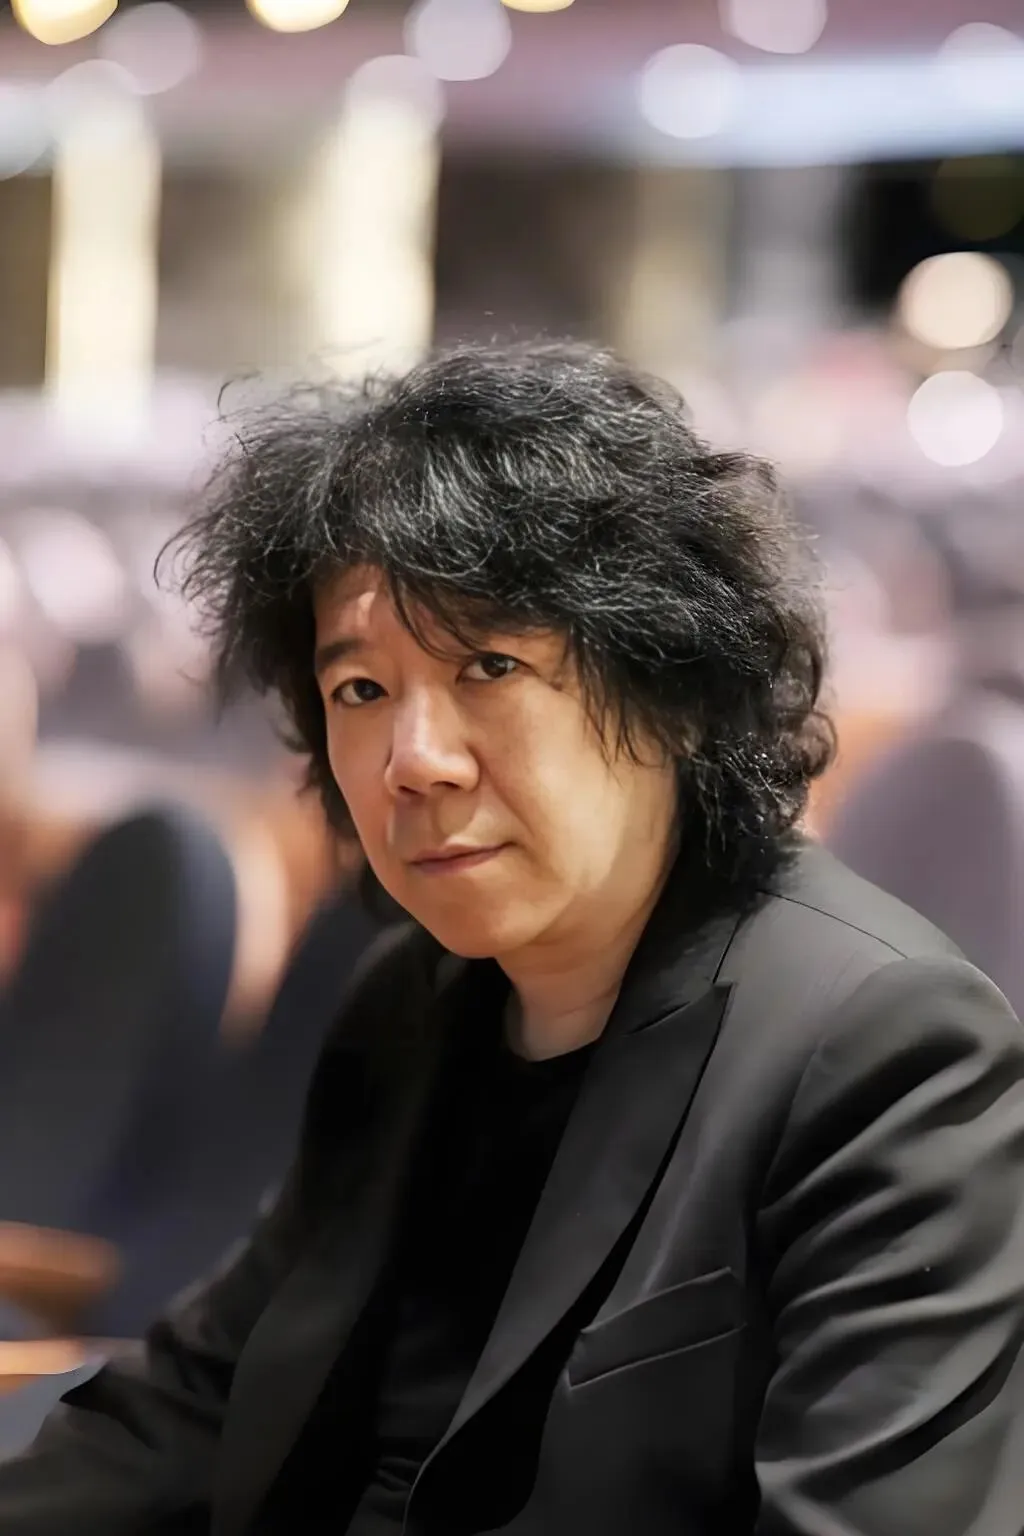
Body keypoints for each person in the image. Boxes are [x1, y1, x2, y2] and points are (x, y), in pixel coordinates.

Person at [2, 339, 1024, 1536]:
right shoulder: (415, 996)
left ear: (670, 685)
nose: (414, 759)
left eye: (489, 665)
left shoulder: (888, 1052)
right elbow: (201, 1395)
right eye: (361, 690)